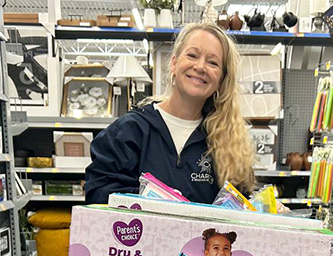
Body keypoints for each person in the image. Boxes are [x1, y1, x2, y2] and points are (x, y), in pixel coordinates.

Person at [85, 23, 255, 205]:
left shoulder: (228, 142)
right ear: (174, 63)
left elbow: (240, 210)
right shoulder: (130, 131)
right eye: (192, 55)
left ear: (221, 80)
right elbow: (100, 197)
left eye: (212, 62)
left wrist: (266, 209)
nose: (200, 66)